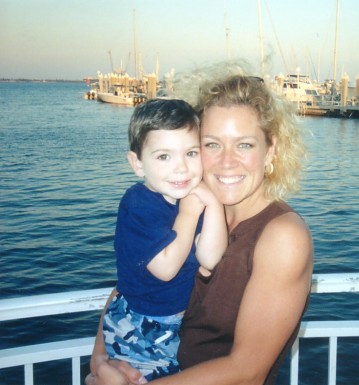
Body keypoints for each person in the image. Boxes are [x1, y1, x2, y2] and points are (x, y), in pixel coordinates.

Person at [87, 70, 313, 385]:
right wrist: (101, 357)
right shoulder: (183, 205)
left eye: (244, 145)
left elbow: (247, 372)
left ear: (270, 150)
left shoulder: (282, 236)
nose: (227, 161)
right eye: (211, 145)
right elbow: (133, 280)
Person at [97, 98, 227, 382]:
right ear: (138, 163)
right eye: (164, 156)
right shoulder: (139, 204)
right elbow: (165, 269)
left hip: (174, 324)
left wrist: (213, 205)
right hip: (139, 324)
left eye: (191, 153)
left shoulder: (190, 200)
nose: (180, 168)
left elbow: (210, 257)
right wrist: (191, 214)